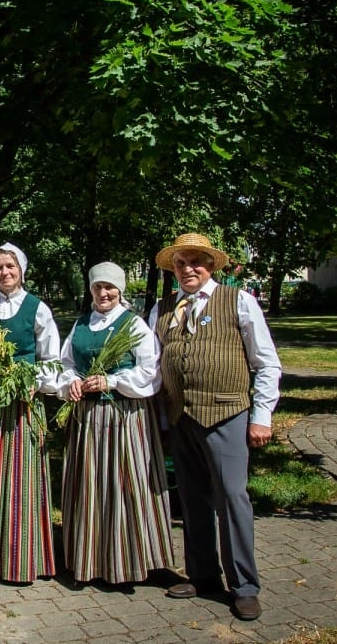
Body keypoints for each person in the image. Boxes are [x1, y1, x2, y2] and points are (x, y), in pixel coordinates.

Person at [148, 233, 281, 622]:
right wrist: (161, 418)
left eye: (196, 262)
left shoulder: (239, 301)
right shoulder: (163, 308)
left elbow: (266, 363)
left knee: (232, 499)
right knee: (192, 500)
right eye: (181, 263)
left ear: (211, 265)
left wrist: (261, 416)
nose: (188, 269)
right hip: (180, 417)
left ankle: (244, 586)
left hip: (226, 413)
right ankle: (203, 575)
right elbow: (156, 368)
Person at [47, 262, 174, 585]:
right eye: (97, 287)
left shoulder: (133, 325)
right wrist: (71, 382)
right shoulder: (81, 324)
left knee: (123, 485)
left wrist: (113, 381)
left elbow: (150, 372)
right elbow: (67, 364)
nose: (103, 293)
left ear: (120, 290)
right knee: (88, 487)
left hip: (123, 418)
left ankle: (128, 561)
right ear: (90, 290)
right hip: (87, 419)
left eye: (109, 288)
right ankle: (87, 562)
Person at [0, 242, 61, 583]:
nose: (4, 272)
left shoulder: (37, 308)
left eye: (10, 266)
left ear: (21, 270)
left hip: (23, 401)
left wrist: (35, 381)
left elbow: (51, 360)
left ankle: (22, 557)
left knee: (23, 474)